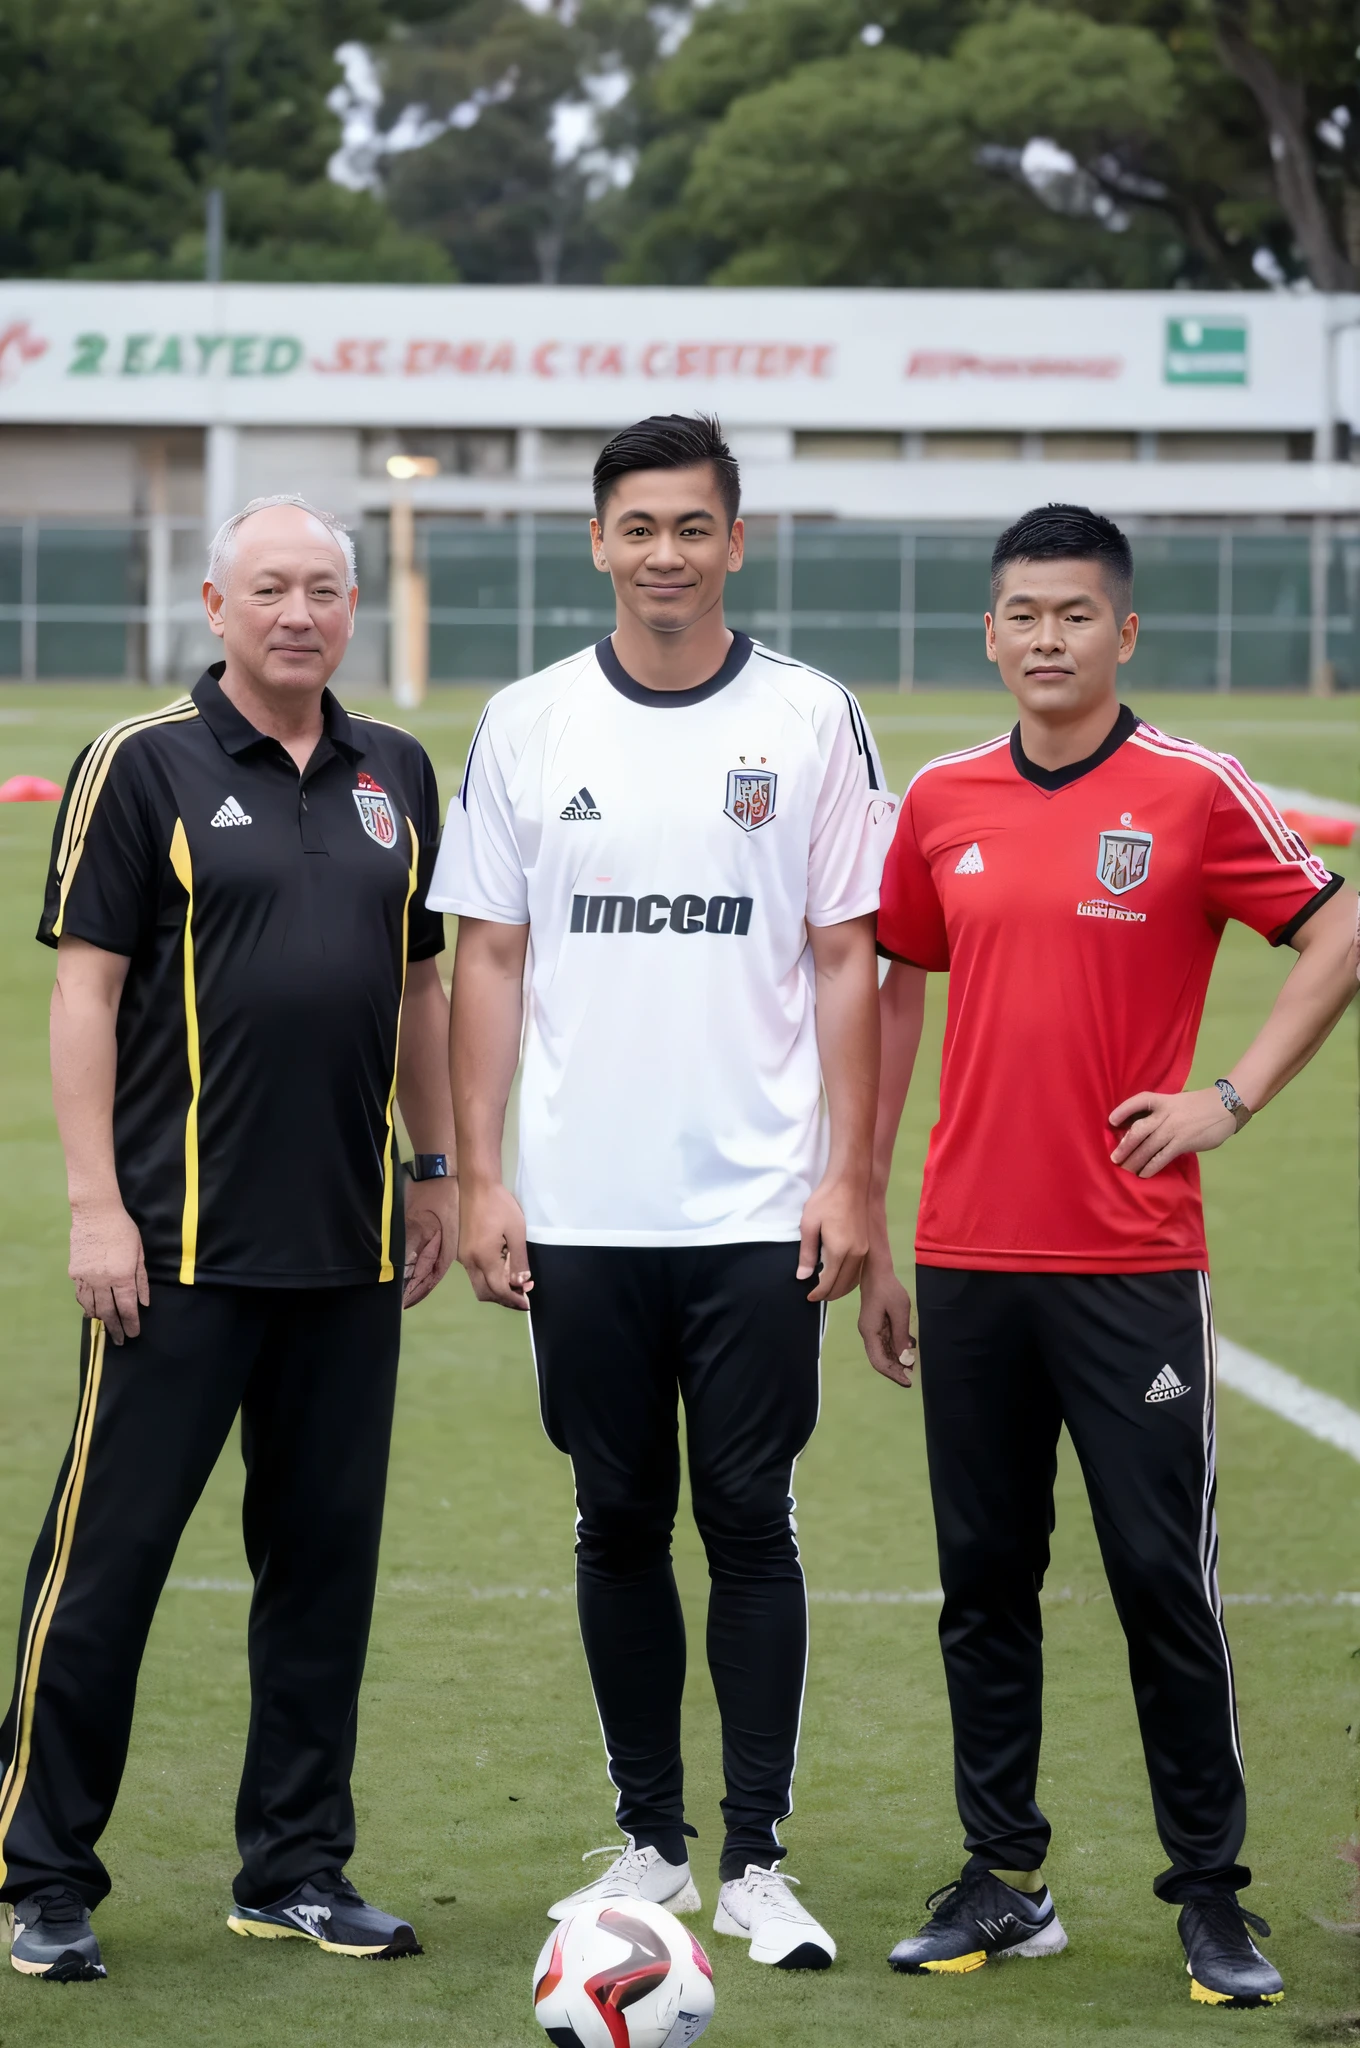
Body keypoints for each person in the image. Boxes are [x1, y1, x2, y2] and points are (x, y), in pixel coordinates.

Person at [858, 502, 1360, 2009]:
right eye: (1022, 615)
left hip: (1131, 1262)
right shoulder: (942, 800)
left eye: (1075, 615)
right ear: (992, 632)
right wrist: (869, 1215)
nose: (1046, 640)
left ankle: (1211, 1895)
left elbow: (1335, 934)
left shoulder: (1194, 791)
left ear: (1123, 632)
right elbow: (892, 994)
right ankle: (1003, 1879)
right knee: (982, 1578)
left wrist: (1230, 1096)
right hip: (966, 1255)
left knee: (1160, 1575)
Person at [431, 413, 895, 1973]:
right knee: (615, 1519)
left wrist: (848, 1173)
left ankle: (757, 1858)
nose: (667, 557)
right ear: (598, 544)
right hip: (577, 1213)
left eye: (694, 528)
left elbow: (849, 956)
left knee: (750, 1518)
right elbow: (482, 956)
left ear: (736, 543)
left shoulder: (816, 718)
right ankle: (650, 1839)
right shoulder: (529, 722)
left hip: (759, 1210)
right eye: (639, 529)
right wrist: (482, 1172)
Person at [0, 495, 459, 1982]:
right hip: (176, 1255)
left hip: (349, 1254)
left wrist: (438, 1171)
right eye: (271, 588)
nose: (302, 614)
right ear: (215, 604)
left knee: (323, 1575)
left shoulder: (401, 771)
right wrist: (94, 1208)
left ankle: (296, 1869)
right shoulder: (142, 765)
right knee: (106, 1565)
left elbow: (425, 990)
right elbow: (84, 994)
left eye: (326, 589)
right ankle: (41, 1876)